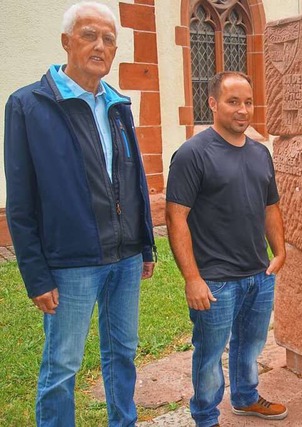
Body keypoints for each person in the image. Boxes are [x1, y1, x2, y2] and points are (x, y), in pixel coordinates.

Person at [4, 2, 156, 425]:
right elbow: (20, 202)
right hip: (71, 264)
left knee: (122, 353)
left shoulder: (117, 104)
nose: (100, 46)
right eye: (90, 35)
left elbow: (134, 177)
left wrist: (145, 243)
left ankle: (122, 421)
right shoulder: (28, 105)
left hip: (124, 259)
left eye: (109, 39)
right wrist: (36, 274)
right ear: (66, 42)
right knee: (63, 366)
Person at [166, 71, 287, 427]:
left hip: (258, 274)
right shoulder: (192, 154)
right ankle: (205, 416)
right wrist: (192, 279)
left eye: (248, 102)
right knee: (209, 356)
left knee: (250, 348)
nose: (243, 110)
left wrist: (278, 250)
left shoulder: (260, 153)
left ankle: (246, 398)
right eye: (233, 102)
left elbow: (270, 206)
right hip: (215, 281)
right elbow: (176, 219)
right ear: (213, 103)